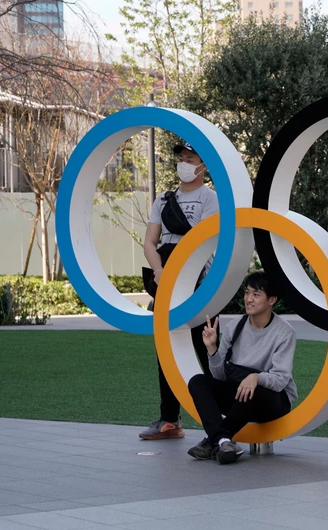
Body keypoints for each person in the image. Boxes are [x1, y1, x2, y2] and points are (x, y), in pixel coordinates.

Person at [139, 141, 219, 440]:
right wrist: (160, 270)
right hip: (167, 281)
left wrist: (184, 274)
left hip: (199, 284)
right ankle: (169, 419)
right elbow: (150, 241)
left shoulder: (211, 199)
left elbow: (207, 240)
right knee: (167, 350)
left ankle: (220, 423)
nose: (184, 163)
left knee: (208, 351)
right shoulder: (164, 199)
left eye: (190, 159)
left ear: (203, 166)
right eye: (182, 158)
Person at [187, 271, 297, 465]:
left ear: (271, 300)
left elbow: (280, 379)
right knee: (198, 382)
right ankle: (222, 441)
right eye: (247, 293)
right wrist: (212, 349)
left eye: (256, 294)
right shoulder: (235, 326)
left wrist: (256, 378)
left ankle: (213, 442)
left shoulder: (285, 332)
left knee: (255, 390)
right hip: (239, 395)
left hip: (272, 401)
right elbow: (220, 376)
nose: (248, 299)